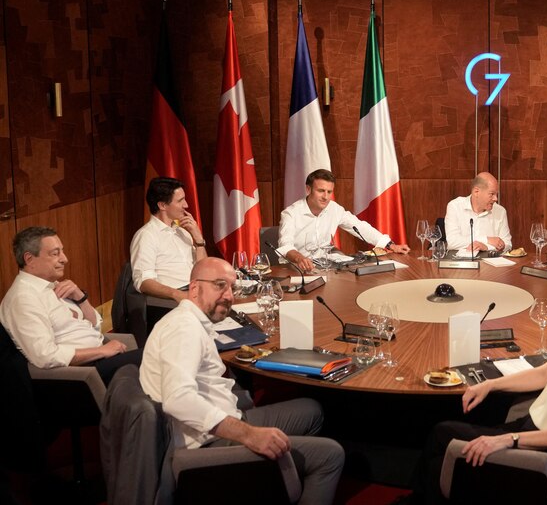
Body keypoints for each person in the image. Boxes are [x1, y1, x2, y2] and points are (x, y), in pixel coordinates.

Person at [139, 257, 344, 504]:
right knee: (331, 455)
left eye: (231, 288)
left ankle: (273, 484)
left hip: (222, 418)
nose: (228, 296)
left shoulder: (189, 320)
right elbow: (178, 400)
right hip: (206, 444)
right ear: (194, 288)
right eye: (219, 285)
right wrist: (249, 435)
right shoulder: (184, 329)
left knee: (311, 409)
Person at [414, 260, 547, 503]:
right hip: (529, 425)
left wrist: (507, 439)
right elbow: (544, 373)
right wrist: (490, 385)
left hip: (537, 450)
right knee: (446, 433)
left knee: (441, 446)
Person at [0, 227, 142, 384]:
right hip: (86, 372)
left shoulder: (52, 285)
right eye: (55, 254)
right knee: (162, 355)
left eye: (62, 251)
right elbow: (45, 356)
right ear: (29, 259)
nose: (64, 259)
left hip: (102, 355)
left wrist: (80, 298)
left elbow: (95, 326)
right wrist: (101, 351)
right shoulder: (24, 298)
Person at [277, 169, 409, 272]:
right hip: (295, 268)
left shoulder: (334, 209)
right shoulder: (291, 213)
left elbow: (359, 226)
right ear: (308, 189)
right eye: (321, 191)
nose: (326, 197)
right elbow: (285, 245)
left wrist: (390, 245)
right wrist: (300, 258)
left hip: (324, 267)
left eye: (329, 192)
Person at [131, 177, 207, 301]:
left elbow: (204, 271)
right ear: (162, 205)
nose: (186, 205)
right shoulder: (146, 236)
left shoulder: (183, 232)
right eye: (180, 201)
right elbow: (144, 282)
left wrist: (199, 240)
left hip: (196, 293)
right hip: (169, 301)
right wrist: (178, 295)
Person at [443, 172, 512, 254]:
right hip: (461, 263)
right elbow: (452, 242)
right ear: (476, 192)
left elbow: (507, 245)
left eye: (496, 194)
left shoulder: (500, 211)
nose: (496, 198)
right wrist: (486, 240)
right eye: (492, 194)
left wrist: (486, 247)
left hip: (491, 264)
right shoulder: (455, 206)